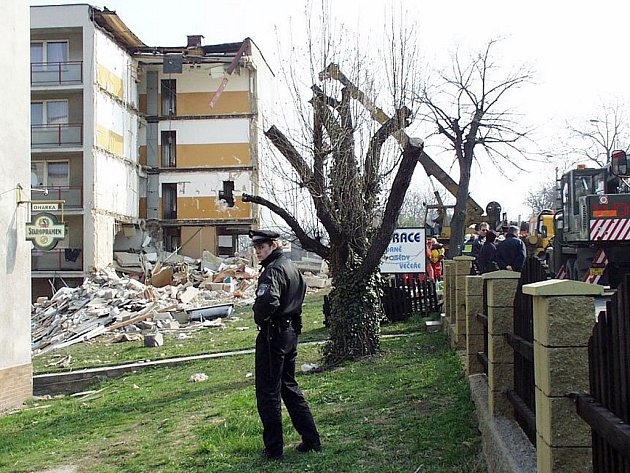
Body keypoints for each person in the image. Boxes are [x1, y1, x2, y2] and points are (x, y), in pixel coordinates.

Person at [250, 229, 321, 460]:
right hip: (289, 332)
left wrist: (259, 316)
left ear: (273, 245)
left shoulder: (274, 270)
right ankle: (311, 440)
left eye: (262, 247)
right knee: (289, 386)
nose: (258, 252)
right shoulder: (290, 266)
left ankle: (273, 450)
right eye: (256, 248)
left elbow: (268, 301)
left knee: (269, 392)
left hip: (274, 335)